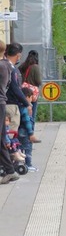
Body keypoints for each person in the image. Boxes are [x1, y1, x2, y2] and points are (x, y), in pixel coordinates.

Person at [0, 41, 19, 184]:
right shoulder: (7, 65)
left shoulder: (1, 66)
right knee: (1, 139)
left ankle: (9, 170)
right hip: (2, 103)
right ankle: (10, 171)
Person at [5, 43, 32, 134]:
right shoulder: (11, 68)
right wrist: (26, 103)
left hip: (5, 103)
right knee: (11, 133)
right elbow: (15, 88)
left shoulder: (4, 65)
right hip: (11, 104)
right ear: (18, 55)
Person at [19, 50, 42, 140]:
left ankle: (22, 135)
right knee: (32, 115)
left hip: (22, 93)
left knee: (24, 114)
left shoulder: (23, 66)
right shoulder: (35, 67)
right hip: (31, 95)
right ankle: (31, 135)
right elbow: (39, 81)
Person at [18, 86, 37, 172]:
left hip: (19, 130)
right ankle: (28, 164)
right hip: (25, 131)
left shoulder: (19, 106)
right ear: (26, 97)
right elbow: (27, 121)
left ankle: (20, 164)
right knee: (28, 147)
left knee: (19, 147)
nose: (32, 99)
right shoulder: (25, 108)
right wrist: (31, 132)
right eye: (30, 97)